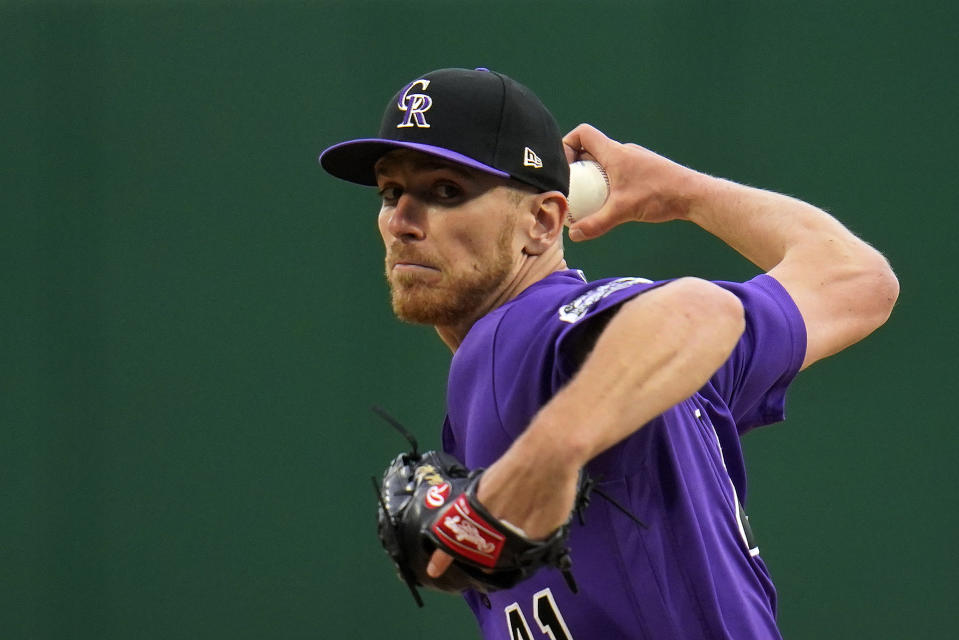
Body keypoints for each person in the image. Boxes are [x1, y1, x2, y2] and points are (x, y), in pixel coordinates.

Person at [319, 67, 898, 639]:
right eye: (390, 192)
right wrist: (683, 193)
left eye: (445, 191)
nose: (401, 220)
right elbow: (856, 279)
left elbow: (700, 311)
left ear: (544, 222)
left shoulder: (522, 332)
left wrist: (544, 459)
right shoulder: (636, 372)